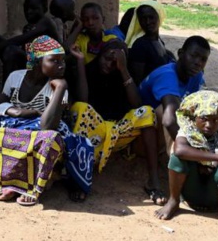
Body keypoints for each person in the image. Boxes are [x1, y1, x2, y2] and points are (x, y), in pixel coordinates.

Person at [0, 36, 93, 206]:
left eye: (62, 61)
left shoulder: (58, 88)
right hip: (17, 130)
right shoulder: (15, 78)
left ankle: (30, 187)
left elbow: (47, 126)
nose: (61, 65)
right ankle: (8, 180)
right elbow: (2, 107)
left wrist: (61, 87)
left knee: (48, 140)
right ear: (37, 62)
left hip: (42, 133)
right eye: (54, 60)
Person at [69, 40, 164, 204]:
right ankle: (79, 180)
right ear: (100, 55)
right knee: (81, 107)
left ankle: (153, 181)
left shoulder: (122, 75)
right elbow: (83, 100)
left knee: (147, 112)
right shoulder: (89, 70)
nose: (109, 64)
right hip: (93, 132)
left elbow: (137, 106)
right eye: (106, 58)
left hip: (117, 131)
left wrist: (123, 69)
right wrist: (80, 61)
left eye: (115, 63)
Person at [154, 90, 218, 233]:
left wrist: (205, 160)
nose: (209, 125)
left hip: (213, 193)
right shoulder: (188, 128)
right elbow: (180, 150)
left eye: (215, 120)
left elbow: (216, 167)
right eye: (204, 119)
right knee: (177, 158)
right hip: (190, 191)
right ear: (195, 116)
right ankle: (174, 201)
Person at [138, 36, 210, 150]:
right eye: (193, 56)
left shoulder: (196, 75)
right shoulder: (167, 75)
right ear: (180, 53)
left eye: (203, 59)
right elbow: (169, 120)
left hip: (170, 128)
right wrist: (193, 151)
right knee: (166, 111)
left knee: (217, 96)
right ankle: (178, 158)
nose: (198, 63)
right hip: (144, 135)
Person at [124, 1, 176, 84]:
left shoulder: (157, 40)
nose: (148, 22)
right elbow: (138, 81)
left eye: (151, 17)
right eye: (143, 19)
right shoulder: (140, 45)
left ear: (159, 17)